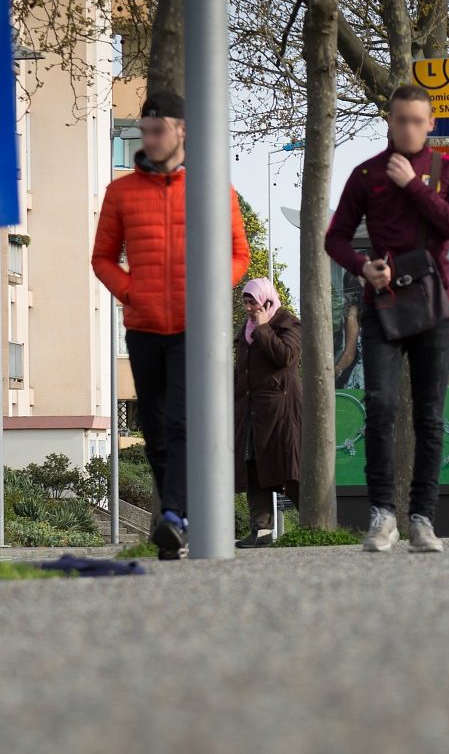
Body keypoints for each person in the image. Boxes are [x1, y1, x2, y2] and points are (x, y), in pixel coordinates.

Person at [92, 91, 250, 559]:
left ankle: (175, 516)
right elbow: (102, 259)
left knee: (181, 421)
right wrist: (130, 291)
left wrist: (211, 289)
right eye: (145, 130)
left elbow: (238, 254)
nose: (150, 138)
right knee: (157, 429)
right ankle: (175, 522)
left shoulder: (213, 189)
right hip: (142, 327)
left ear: (182, 131)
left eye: (158, 130)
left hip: (192, 328)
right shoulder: (120, 193)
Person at [324, 84, 449, 553]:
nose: (408, 127)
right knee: (381, 407)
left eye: (416, 120)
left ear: (430, 124)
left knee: (429, 417)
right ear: (389, 121)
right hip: (382, 303)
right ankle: (382, 515)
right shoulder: (366, 174)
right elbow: (336, 238)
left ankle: (422, 519)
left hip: (433, 305)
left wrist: (413, 186)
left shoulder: (447, 170)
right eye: (400, 119)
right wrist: (362, 267)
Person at [234, 278, 302, 548]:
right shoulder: (245, 330)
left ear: (267, 300)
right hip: (251, 412)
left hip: (280, 411)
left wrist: (264, 329)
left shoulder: (287, 323)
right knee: (253, 468)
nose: (249, 308)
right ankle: (261, 530)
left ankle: (313, 523)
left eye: (254, 302)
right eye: (246, 302)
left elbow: (287, 357)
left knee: (289, 468)